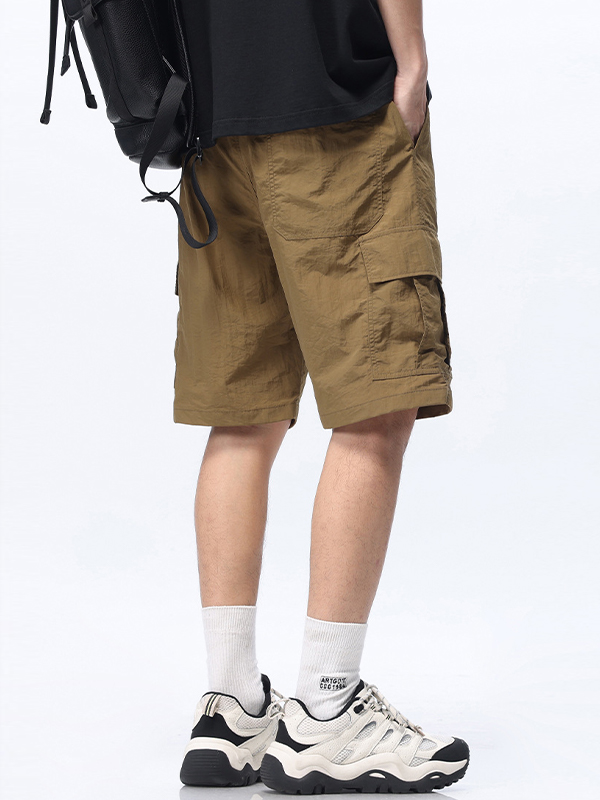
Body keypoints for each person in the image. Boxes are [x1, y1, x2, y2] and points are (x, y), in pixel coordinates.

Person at [175, 0, 468, 793]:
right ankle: (327, 713)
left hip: (208, 122)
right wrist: (412, 61)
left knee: (242, 415)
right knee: (377, 405)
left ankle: (231, 706)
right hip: (334, 109)